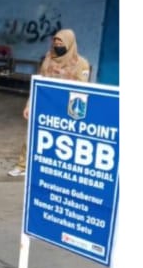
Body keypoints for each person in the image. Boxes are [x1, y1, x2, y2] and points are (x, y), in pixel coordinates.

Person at [8, 28, 91, 177]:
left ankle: (54, 170)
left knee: (61, 141)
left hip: (65, 108)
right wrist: (29, 104)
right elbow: (39, 83)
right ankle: (23, 166)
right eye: (55, 42)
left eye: (61, 42)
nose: (57, 45)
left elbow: (82, 89)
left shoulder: (81, 64)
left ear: (70, 44)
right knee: (32, 135)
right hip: (44, 104)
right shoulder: (48, 58)